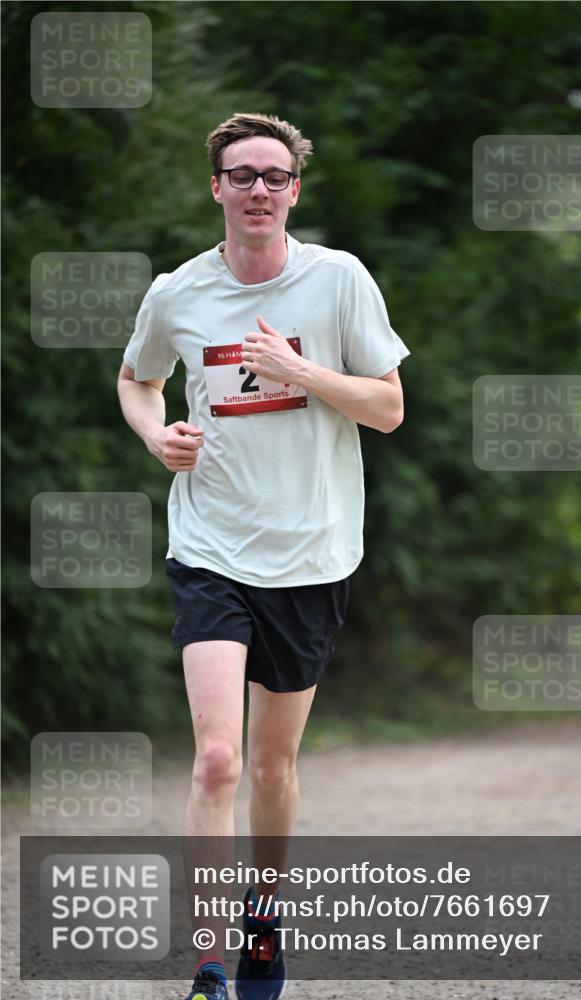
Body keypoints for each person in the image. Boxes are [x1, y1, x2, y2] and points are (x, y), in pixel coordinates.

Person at [117, 112, 409, 1000]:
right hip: (210, 546)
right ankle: (208, 963)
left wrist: (300, 371)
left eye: (274, 176)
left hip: (312, 554)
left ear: (294, 190)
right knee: (217, 759)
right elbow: (137, 378)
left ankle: (264, 916)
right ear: (216, 188)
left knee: (273, 766)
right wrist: (155, 434)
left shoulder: (337, 281)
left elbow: (388, 408)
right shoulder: (178, 292)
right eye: (241, 175)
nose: (257, 190)